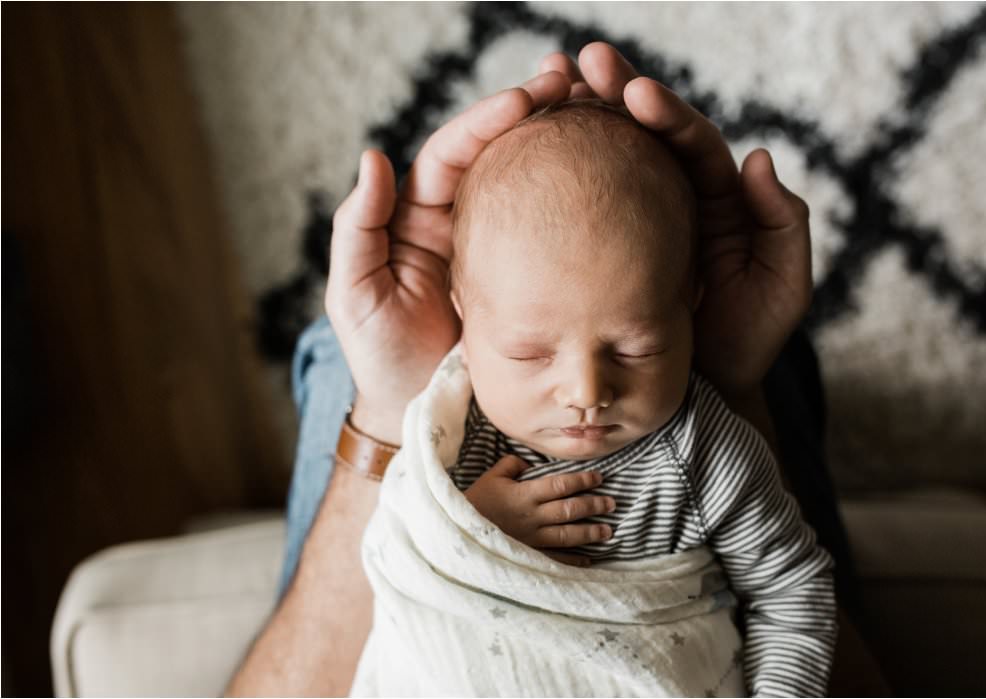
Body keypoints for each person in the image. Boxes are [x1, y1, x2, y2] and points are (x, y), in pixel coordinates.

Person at [226, 42, 887, 697]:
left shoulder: (706, 450)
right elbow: (402, 548)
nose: (587, 392)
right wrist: (471, 528)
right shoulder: (454, 423)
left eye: (635, 347)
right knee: (336, 348)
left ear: (694, 301)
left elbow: (793, 586)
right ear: (463, 318)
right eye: (530, 353)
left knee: (783, 360)